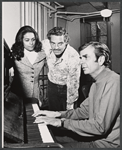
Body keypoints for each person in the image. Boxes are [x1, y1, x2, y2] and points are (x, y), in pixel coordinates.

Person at [32, 41, 120, 148]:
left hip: (107, 144)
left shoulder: (113, 82)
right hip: (96, 138)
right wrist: (57, 114)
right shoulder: (97, 82)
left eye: (85, 57)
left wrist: (61, 122)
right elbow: (83, 111)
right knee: (47, 142)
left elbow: (99, 127)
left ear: (101, 60)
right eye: (80, 57)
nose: (80, 62)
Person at [41, 27, 81, 110]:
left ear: (66, 42)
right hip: (51, 83)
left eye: (60, 43)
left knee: (66, 116)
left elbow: (73, 83)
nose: (56, 47)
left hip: (66, 87)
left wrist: (70, 104)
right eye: (53, 43)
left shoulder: (73, 56)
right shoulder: (46, 44)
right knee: (52, 113)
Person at [10, 25, 46, 107]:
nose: (31, 43)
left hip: (35, 94)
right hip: (18, 95)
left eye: (33, 40)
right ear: (21, 40)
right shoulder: (14, 54)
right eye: (27, 40)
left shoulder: (42, 54)